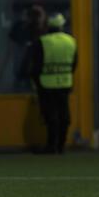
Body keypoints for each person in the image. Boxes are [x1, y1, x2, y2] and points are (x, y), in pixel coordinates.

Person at [29, 13, 77, 154]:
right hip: (65, 82)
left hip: (46, 83)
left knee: (50, 115)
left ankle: (51, 146)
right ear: (62, 26)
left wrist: (36, 81)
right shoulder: (71, 41)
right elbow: (74, 63)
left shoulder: (42, 41)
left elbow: (36, 65)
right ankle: (61, 145)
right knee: (64, 115)